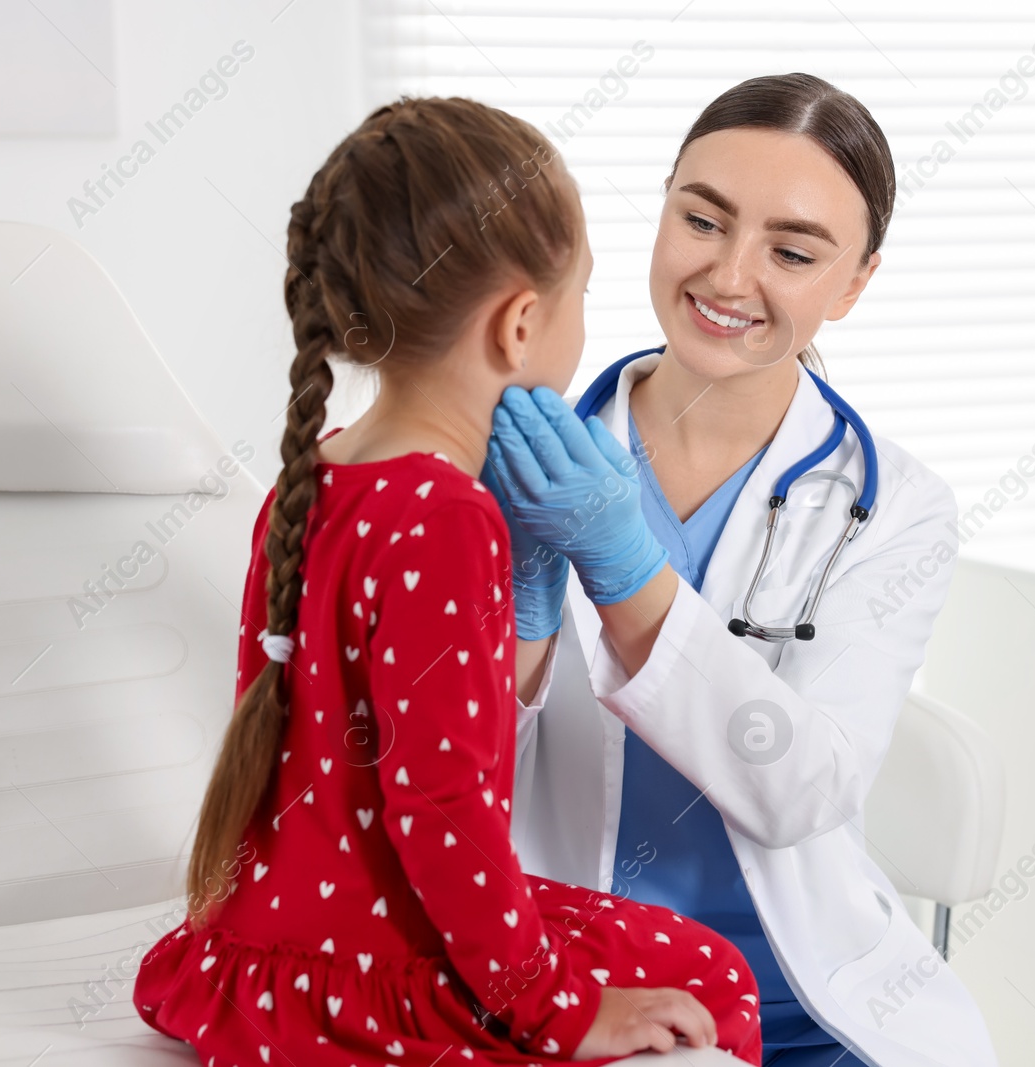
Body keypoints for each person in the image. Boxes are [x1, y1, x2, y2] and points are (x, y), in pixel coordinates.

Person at [131, 95, 762, 1067]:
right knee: (711, 973)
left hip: (256, 956)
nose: (586, 322)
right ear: (518, 324)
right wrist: (555, 1008)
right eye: (581, 294)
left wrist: (527, 591)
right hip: (374, 970)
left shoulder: (313, 478)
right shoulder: (447, 518)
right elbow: (444, 810)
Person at [482, 75, 1000, 1067]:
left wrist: (627, 572)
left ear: (853, 283)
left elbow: (806, 788)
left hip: (799, 995)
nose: (727, 275)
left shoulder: (895, 504)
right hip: (570, 979)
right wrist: (524, 616)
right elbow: (440, 779)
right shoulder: (518, 457)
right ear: (664, 203)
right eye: (701, 220)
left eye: (792, 252)